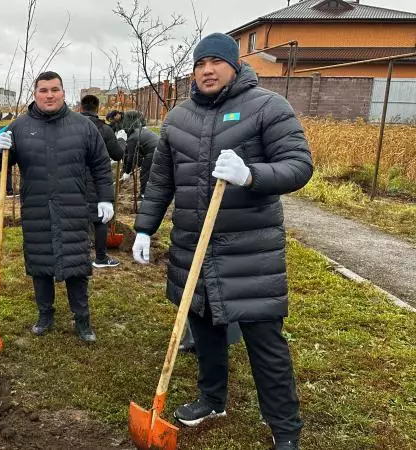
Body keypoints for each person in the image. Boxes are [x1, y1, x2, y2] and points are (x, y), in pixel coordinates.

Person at [132, 33, 312, 450]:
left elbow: (299, 166)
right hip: (192, 246)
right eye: (200, 63)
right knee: (204, 328)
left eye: (215, 61)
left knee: (265, 343)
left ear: (234, 66)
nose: (207, 70)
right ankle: (212, 399)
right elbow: (161, 181)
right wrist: (144, 227)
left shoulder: (268, 107)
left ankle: (285, 428)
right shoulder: (178, 118)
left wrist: (252, 174)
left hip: (250, 253)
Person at [0, 71, 113, 343]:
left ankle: (82, 319)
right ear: (35, 94)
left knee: (77, 265)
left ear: (63, 93)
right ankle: (44, 315)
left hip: (73, 206)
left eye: (54, 90)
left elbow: (101, 165)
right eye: (43, 90)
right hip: (36, 208)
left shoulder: (83, 126)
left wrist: (106, 197)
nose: (49, 95)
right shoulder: (19, 127)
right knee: (39, 263)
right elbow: (2, 164)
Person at [79, 94, 125, 268]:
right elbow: (117, 154)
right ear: (98, 109)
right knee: (100, 218)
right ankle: (100, 258)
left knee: (74, 216)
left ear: (80, 108)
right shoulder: (104, 129)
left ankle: (80, 254)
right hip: (97, 179)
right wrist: (121, 140)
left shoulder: (71, 126)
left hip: (73, 179)